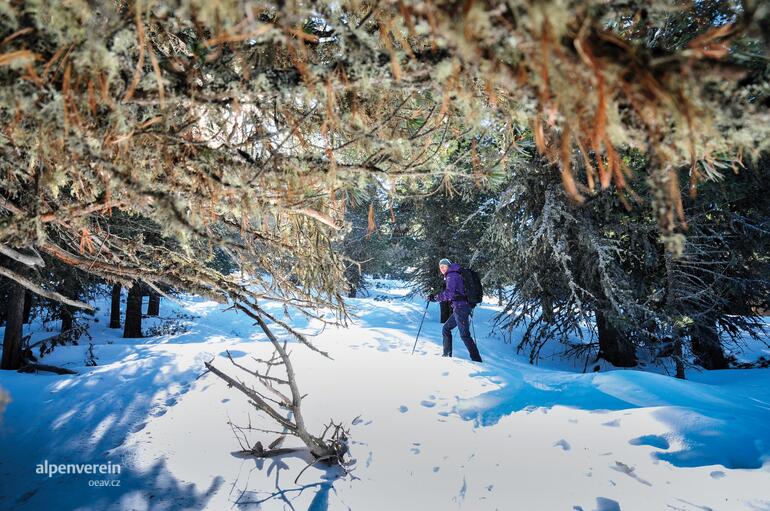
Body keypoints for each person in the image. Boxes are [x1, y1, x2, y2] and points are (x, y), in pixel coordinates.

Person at [428, 258, 483, 362]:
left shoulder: (451, 275)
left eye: (444, 266)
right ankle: (447, 354)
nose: (442, 268)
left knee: (464, 335)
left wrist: (435, 298)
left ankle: (476, 359)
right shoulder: (455, 273)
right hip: (460, 307)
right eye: (440, 267)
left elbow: (450, 293)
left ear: (448, 266)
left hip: (461, 308)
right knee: (446, 329)